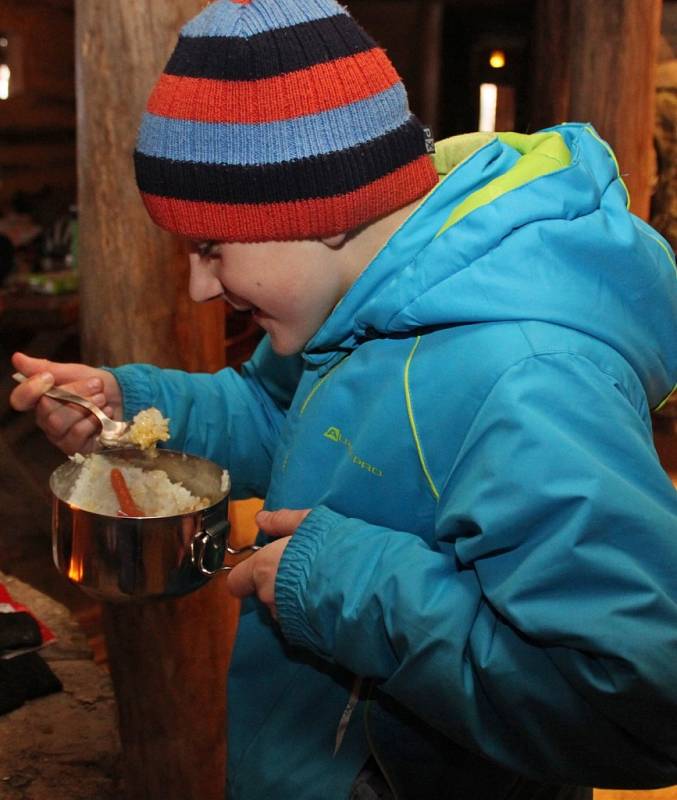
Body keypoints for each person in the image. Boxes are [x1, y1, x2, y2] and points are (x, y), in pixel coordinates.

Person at [9, 1, 677, 798]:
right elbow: (284, 420)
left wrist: (345, 587)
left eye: (211, 248)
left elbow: (635, 703)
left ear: (322, 214)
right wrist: (131, 407)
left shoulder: (526, 377)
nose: (196, 288)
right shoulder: (359, 303)